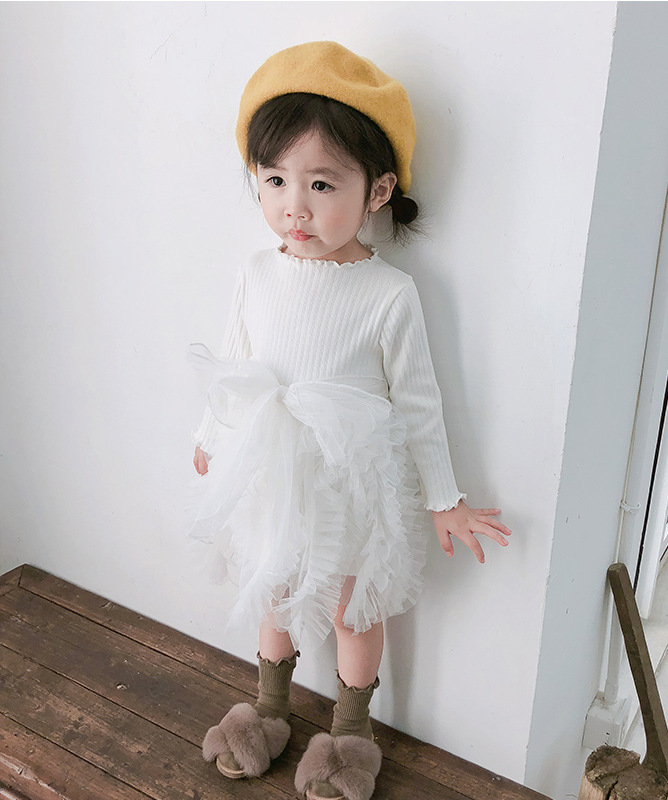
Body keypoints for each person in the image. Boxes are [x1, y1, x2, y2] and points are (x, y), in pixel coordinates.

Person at [188, 41, 511, 800]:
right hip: (275, 472)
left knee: (351, 607)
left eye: (321, 183)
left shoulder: (388, 294)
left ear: (377, 191)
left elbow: (419, 402)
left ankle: (349, 734)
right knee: (275, 585)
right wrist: (209, 438)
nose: (293, 206)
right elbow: (234, 367)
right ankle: (268, 711)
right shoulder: (257, 272)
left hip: (352, 483)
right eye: (275, 180)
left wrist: (445, 498)